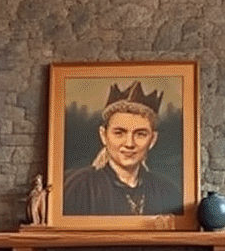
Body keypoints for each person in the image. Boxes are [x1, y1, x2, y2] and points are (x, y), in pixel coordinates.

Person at [62, 81, 183, 217]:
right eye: (119, 133)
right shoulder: (78, 187)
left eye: (140, 134)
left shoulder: (167, 190)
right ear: (103, 135)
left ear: (153, 139)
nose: (129, 144)